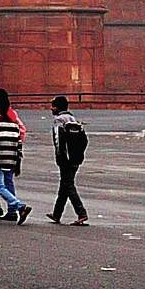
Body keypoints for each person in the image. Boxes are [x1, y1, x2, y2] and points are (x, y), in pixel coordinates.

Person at [0, 87, 30, 224]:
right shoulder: (14, 125)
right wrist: (17, 162)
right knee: (2, 185)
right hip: (11, 160)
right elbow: (18, 145)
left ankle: (19, 206)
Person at [47, 95, 88, 225]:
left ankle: (81, 213)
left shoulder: (59, 120)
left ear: (57, 107)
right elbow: (84, 140)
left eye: (52, 106)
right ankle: (57, 214)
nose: (51, 109)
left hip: (65, 159)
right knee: (65, 184)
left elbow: (58, 140)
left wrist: (60, 157)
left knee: (68, 185)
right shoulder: (73, 119)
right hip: (76, 158)